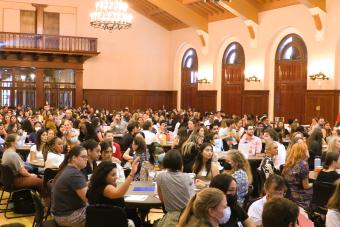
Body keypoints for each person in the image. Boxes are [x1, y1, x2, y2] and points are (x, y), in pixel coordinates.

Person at [86, 158, 140, 227]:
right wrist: (132, 174)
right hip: (113, 222)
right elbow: (119, 193)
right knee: (133, 213)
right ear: (103, 176)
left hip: (98, 223)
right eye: (113, 175)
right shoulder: (106, 188)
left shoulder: (92, 186)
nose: (116, 177)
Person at [51, 145, 88, 227]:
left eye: (87, 157)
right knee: (104, 215)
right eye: (83, 157)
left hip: (60, 213)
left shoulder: (68, 169)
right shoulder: (74, 174)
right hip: (67, 216)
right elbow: (88, 198)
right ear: (74, 158)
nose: (86, 159)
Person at [155, 150, 194, 226]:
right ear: (180, 163)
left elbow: (162, 198)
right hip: (187, 215)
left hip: (170, 215)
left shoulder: (160, 176)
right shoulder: (187, 177)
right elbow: (192, 198)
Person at [282, 142, 312, 208]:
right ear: (303, 151)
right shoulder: (303, 164)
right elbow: (306, 186)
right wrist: (313, 184)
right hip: (298, 196)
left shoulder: (288, 163)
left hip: (287, 194)